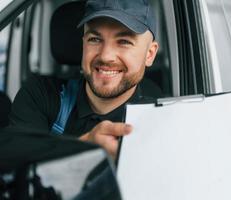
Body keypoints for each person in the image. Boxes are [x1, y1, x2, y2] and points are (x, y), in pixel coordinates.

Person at [8, 0, 159, 160]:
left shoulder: (159, 121)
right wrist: (81, 151)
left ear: (149, 54)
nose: (106, 56)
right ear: (83, 43)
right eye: (94, 39)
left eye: (124, 42)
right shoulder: (40, 94)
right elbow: (15, 174)